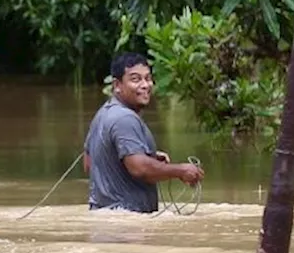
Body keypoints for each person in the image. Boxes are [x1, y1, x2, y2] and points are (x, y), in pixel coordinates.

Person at [83, 52, 205, 213]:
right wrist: (181, 171)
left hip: (103, 217)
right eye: (135, 79)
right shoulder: (125, 118)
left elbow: (89, 163)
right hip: (126, 221)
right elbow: (140, 168)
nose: (145, 85)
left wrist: (143, 154)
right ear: (117, 85)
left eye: (148, 78)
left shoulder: (103, 113)